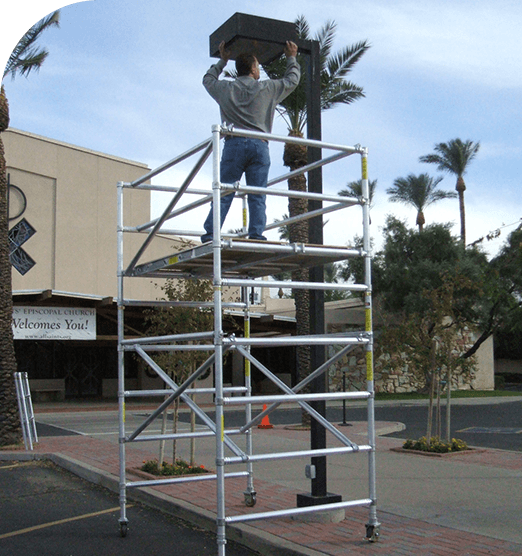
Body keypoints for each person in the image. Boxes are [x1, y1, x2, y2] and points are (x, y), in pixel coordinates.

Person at [201, 40, 300, 243]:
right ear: (254, 69)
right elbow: (291, 80)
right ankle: (256, 235)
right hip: (259, 145)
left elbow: (208, 80)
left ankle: (212, 234)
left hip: (234, 144)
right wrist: (291, 57)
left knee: (225, 191)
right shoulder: (267, 89)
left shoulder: (225, 89)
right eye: (257, 66)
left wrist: (222, 62)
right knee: (257, 194)